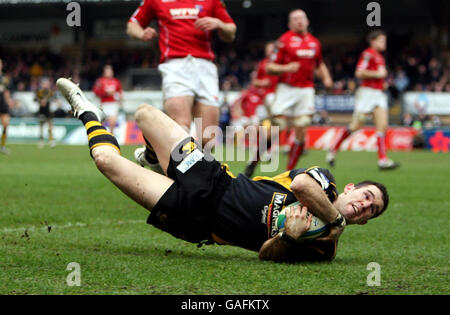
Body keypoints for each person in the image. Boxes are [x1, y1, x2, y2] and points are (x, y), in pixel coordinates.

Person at [56, 77, 390, 263]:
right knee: (144, 113)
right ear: (350, 189)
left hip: (194, 218)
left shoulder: (324, 249)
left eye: (371, 211)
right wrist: (335, 219)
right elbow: (302, 185)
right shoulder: (326, 185)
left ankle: (88, 114)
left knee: (106, 162)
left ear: (364, 221)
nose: (365, 205)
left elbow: (266, 256)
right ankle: (159, 162)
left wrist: (288, 237)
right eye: (367, 196)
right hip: (213, 177)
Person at [127, 0, 236, 170]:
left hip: (205, 67)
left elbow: (231, 32)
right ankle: (181, 176)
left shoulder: (212, 1)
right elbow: (132, 24)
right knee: (181, 125)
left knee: (208, 137)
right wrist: (141, 34)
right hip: (175, 65)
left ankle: (153, 156)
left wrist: (219, 24)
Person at [266, 9, 333, 171]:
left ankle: (288, 171)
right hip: (286, 88)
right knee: (279, 126)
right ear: (290, 24)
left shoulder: (315, 42)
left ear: (307, 21)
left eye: (302, 18)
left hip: (306, 89)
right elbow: (270, 67)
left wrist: (326, 77)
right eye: (295, 19)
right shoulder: (283, 41)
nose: (299, 21)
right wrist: (287, 67)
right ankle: (255, 158)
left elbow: (319, 63)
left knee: (302, 126)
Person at [326, 30, 399, 170]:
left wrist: (381, 82)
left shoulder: (379, 56)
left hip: (378, 93)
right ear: (373, 41)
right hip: (367, 93)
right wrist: (378, 74)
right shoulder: (368, 54)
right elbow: (359, 73)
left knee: (382, 125)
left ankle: (382, 160)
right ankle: (333, 147)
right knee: (356, 126)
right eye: (381, 40)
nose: (384, 43)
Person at [243, 41, 280, 177]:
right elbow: (256, 82)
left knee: (271, 133)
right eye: (269, 49)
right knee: (268, 132)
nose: (271, 52)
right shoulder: (263, 64)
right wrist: (263, 83)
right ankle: (257, 157)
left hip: (281, 100)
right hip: (266, 101)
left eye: (273, 49)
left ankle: (254, 160)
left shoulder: (282, 63)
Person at [92, 64, 123, 136]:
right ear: (104, 72)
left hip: (113, 104)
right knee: (101, 121)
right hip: (104, 104)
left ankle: (112, 135)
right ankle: (101, 135)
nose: (109, 73)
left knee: (112, 122)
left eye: (110, 71)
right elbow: (95, 92)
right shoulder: (100, 81)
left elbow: (120, 92)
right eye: (107, 71)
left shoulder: (116, 81)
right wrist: (105, 93)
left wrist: (119, 99)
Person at [35, 77, 56, 148]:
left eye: (47, 84)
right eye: (44, 84)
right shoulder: (39, 92)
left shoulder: (50, 92)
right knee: (41, 126)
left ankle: (51, 140)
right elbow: (35, 99)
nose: (46, 85)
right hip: (41, 110)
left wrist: (47, 101)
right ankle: (41, 140)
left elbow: (53, 98)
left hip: (48, 110)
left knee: (50, 125)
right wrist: (40, 101)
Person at [0, 58, 14, 154]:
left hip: (3, 104)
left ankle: (3, 146)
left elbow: (7, 92)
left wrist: (9, 102)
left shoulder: (5, 78)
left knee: (5, 125)